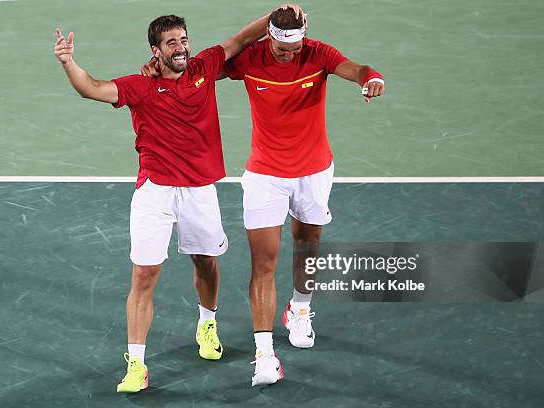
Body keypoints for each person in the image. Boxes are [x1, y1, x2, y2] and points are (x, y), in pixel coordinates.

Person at [53, 6, 304, 393]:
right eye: (172, 43)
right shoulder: (139, 87)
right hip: (155, 191)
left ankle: (207, 322)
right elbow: (92, 88)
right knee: (143, 275)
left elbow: (240, 40)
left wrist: (275, 18)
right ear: (156, 50)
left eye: (184, 39)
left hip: (200, 190)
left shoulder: (204, 68)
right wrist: (69, 62)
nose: (181, 47)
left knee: (206, 263)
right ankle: (136, 364)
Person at [221, 8, 386, 386]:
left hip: (314, 172)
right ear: (269, 36)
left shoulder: (317, 54)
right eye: (281, 46)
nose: (289, 53)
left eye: (294, 47)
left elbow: (358, 69)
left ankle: (300, 308)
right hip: (265, 176)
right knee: (263, 262)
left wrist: (372, 77)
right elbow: (201, 70)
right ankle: (265, 355)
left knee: (307, 246)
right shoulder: (249, 58)